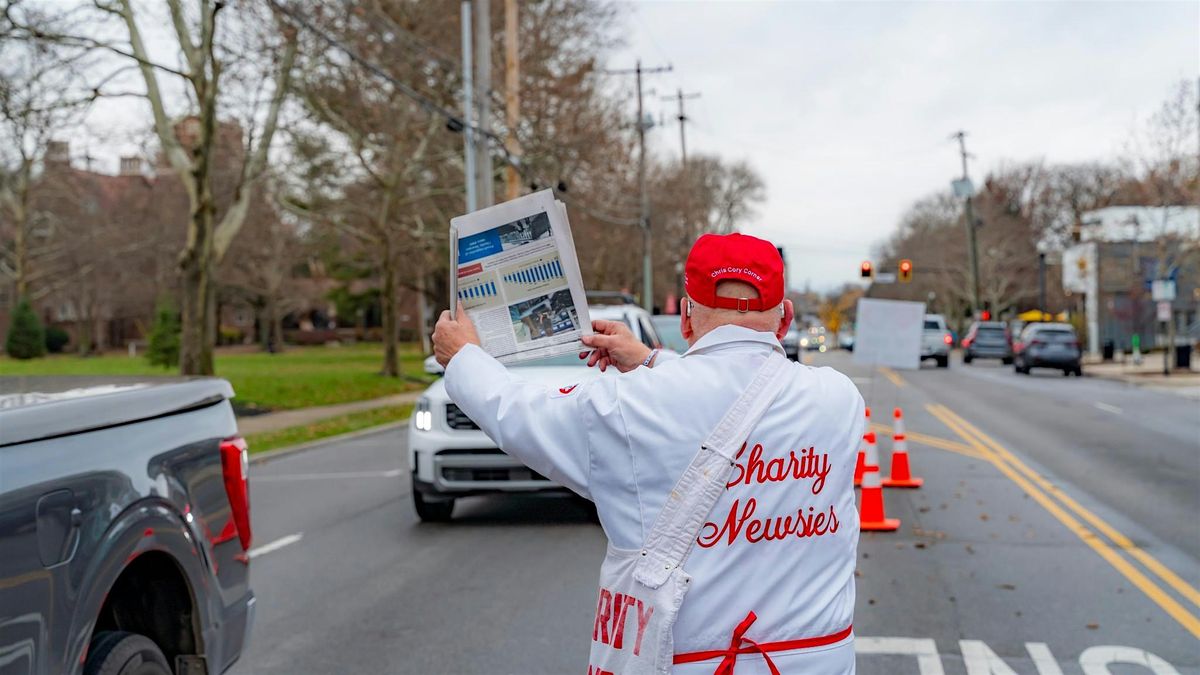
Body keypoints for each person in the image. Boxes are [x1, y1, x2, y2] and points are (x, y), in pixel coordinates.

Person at [433, 233, 864, 674]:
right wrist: (650, 359)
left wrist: (464, 357)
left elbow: (519, 413)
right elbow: (735, 387)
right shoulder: (840, 400)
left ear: (685, 316)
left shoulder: (629, 405)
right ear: (785, 319)